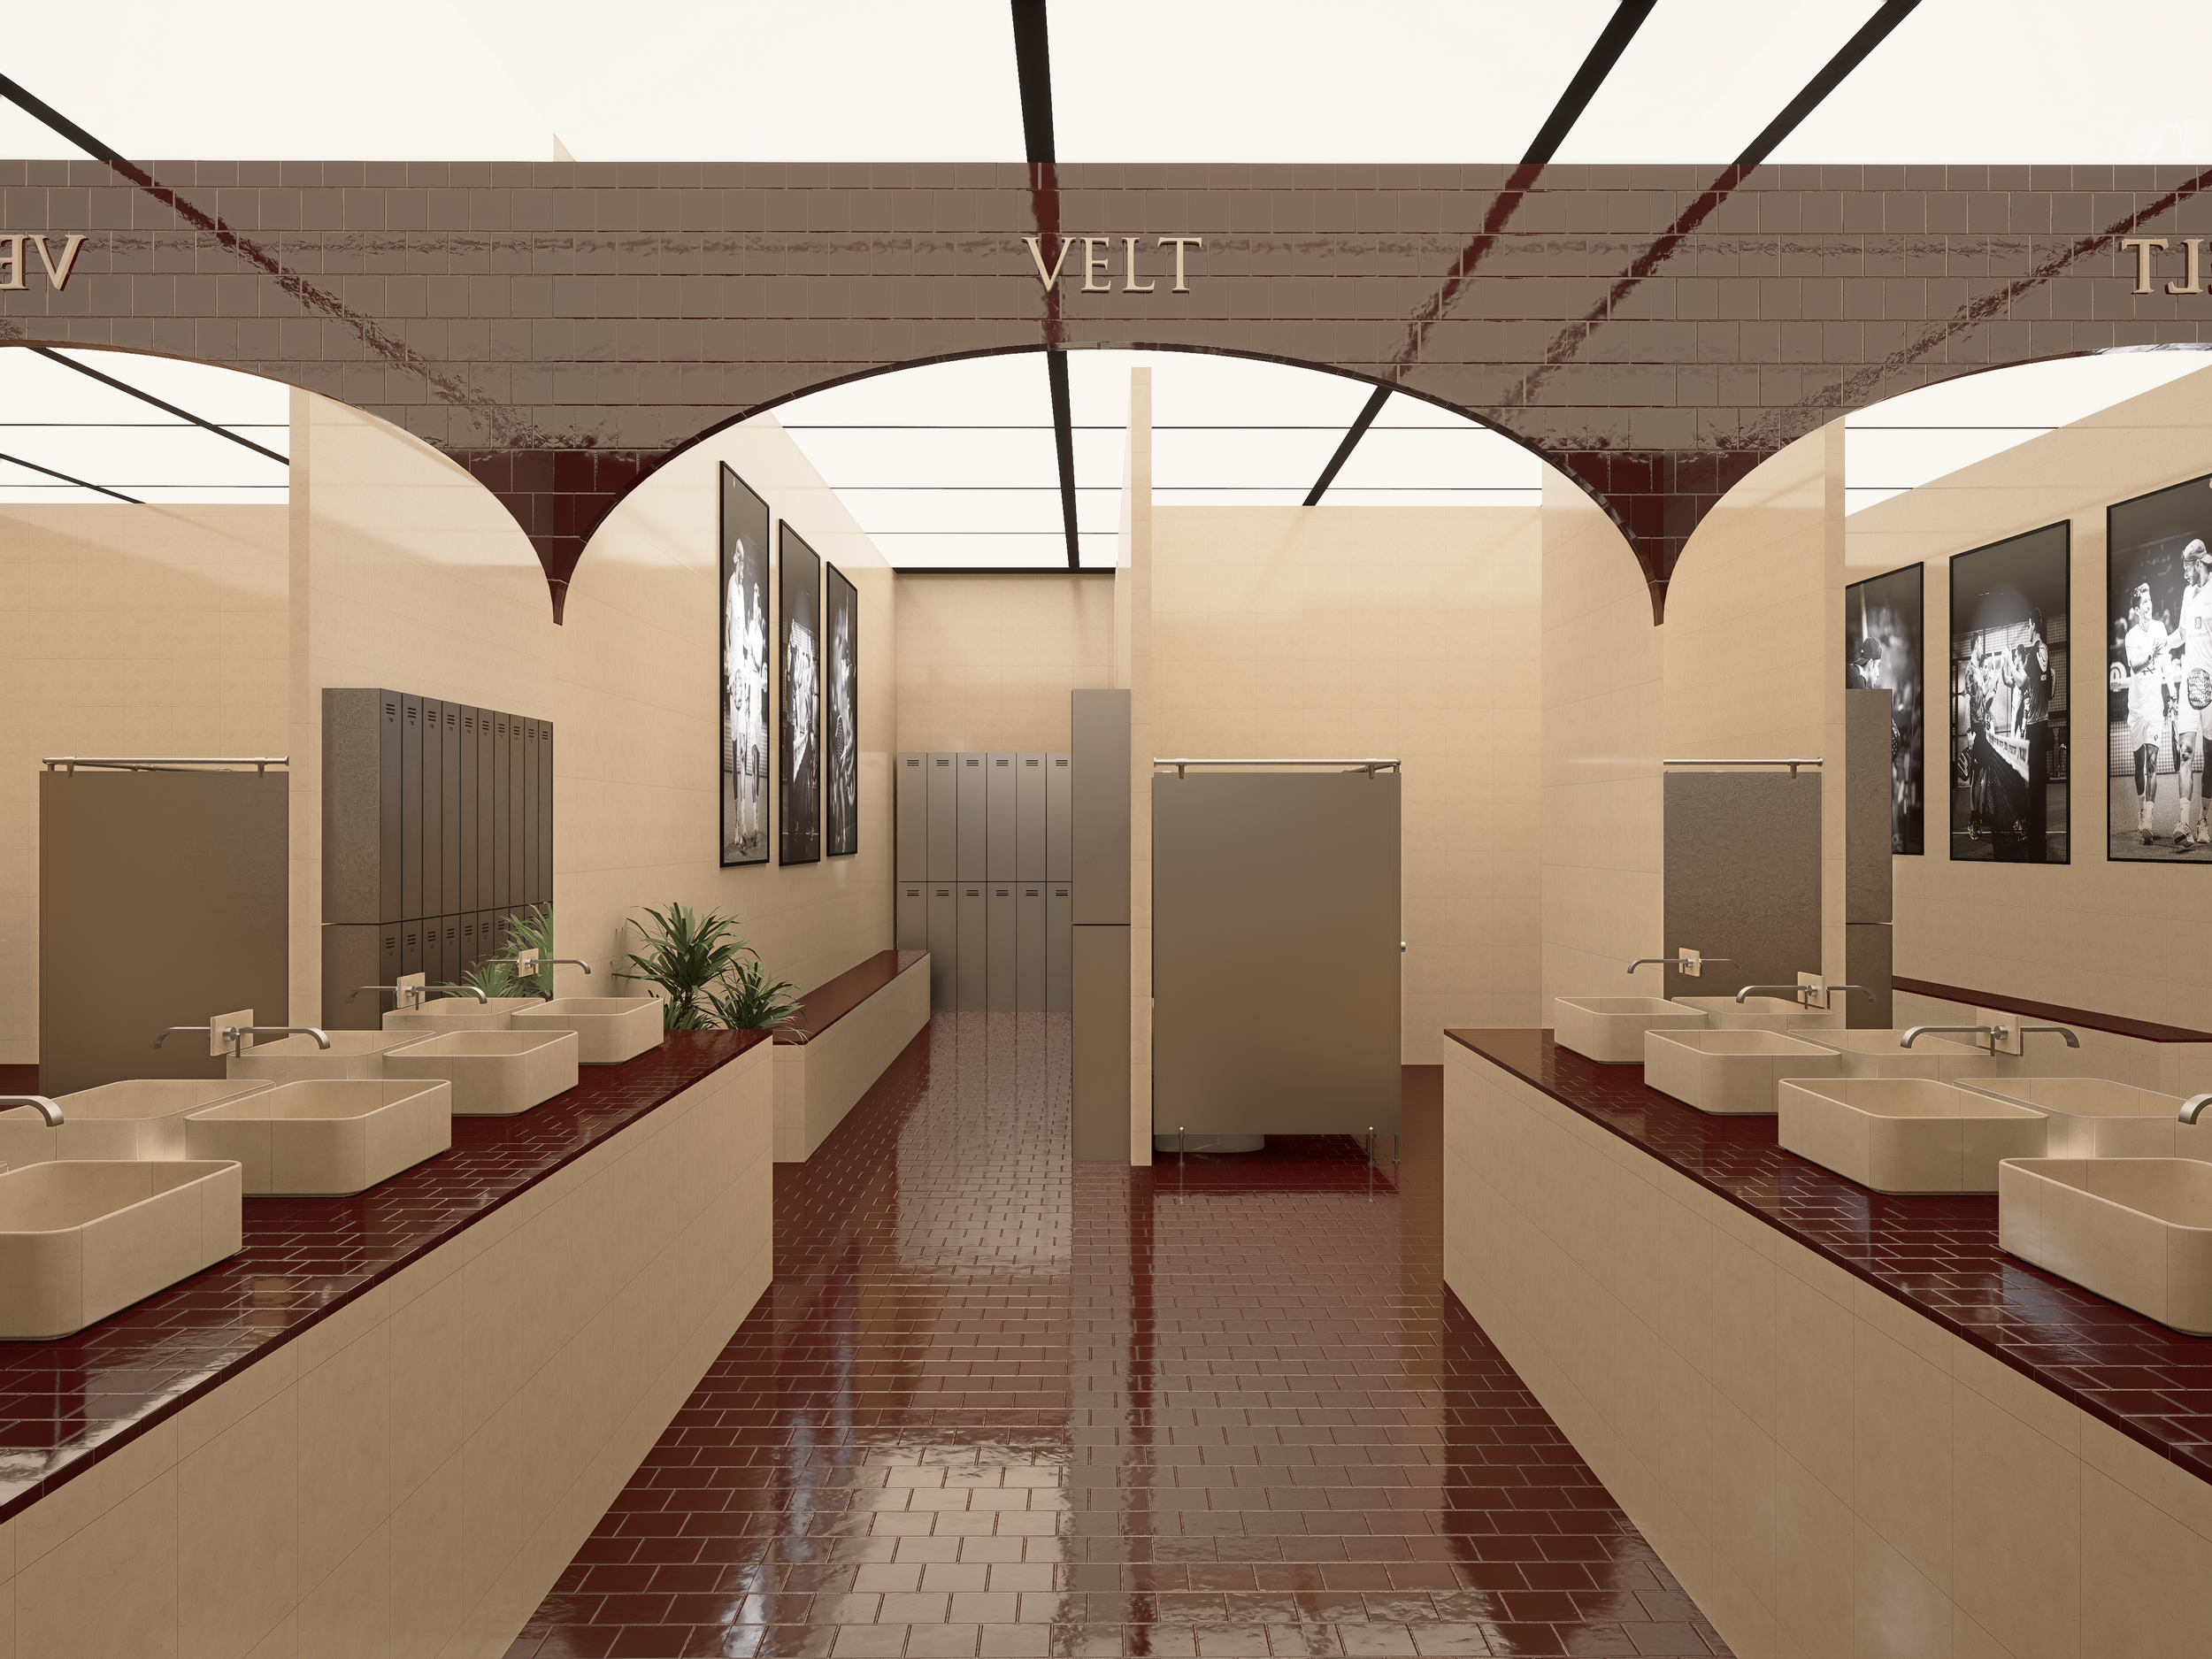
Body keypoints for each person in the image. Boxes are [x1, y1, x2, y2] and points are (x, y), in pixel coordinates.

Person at [2124, 581, 2174, 844]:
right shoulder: (2131, 637)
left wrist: (2172, 694)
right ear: (2136, 608)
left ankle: (2149, 819)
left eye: (2150, 600)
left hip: (2156, 708)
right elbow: (2133, 666)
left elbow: (2165, 664)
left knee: (2153, 764)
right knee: (2138, 765)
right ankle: (2141, 808)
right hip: (2136, 711)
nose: (2149, 605)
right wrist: (2151, 655)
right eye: (2144, 602)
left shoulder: (2160, 629)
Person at [2177, 539, 2212, 849]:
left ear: (2198, 564)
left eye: (2187, 566)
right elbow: (2182, 633)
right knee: (2185, 750)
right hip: (2190, 685)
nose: (2184, 572)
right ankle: (2184, 823)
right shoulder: (2188, 593)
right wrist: (2163, 643)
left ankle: (2204, 820)